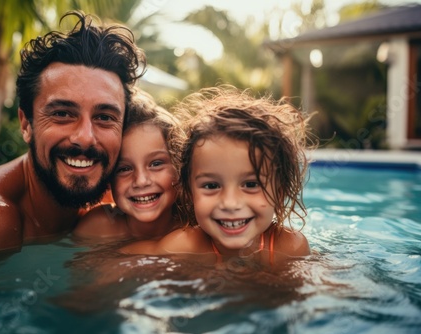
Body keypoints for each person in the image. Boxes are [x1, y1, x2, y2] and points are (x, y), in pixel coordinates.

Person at [0, 11, 146, 251]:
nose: (85, 137)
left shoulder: (118, 196)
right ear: (26, 125)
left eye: (104, 117)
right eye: (62, 113)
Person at [121, 85, 314, 266]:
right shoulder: (184, 246)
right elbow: (120, 256)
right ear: (189, 192)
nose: (230, 203)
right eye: (211, 186)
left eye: (250, 184)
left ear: (279, 194)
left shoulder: (289, 248)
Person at [73, 89, 184, 241]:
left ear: (179, 167)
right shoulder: (97, 228)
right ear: (108, 181)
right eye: (124, 169)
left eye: (156, 163)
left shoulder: (195, 231)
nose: (141, 181)